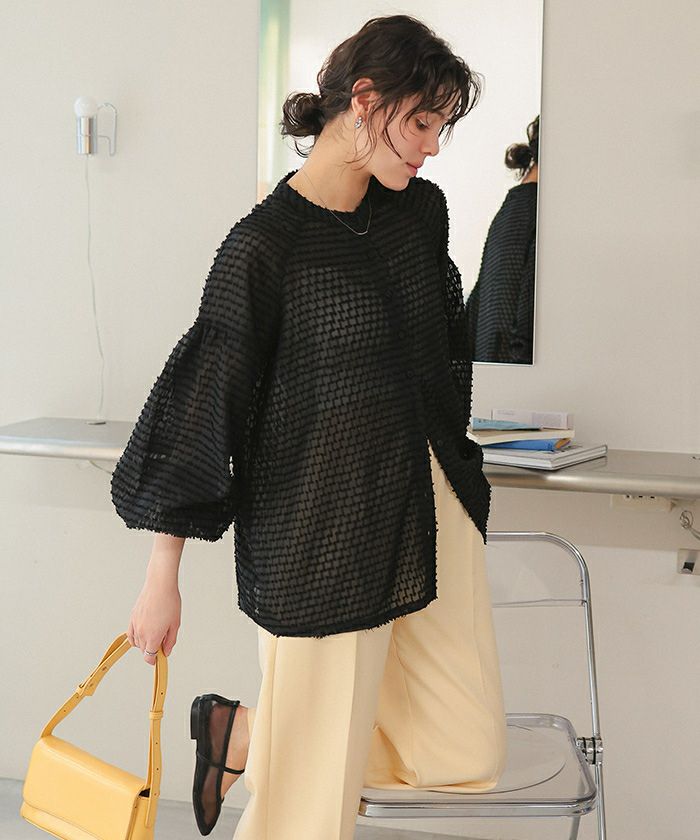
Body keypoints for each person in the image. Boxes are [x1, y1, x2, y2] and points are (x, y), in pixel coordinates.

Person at [111, 13, 508, 840]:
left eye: (441, 127)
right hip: (324, 530)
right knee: (307, 811)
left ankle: (247, 736)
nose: (433, 147)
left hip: (431, 503)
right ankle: (283, 753)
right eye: (421, 123)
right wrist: (162, 572)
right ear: (364, 100)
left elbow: (441, 354)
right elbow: (206, 399)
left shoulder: (418, 213)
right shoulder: (265, 247)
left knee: (464, 750)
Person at [465, 115, 540, 364]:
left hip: (492, 370)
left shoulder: (513, 209)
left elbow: (473, 315)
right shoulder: (540, 214)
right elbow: (527, 324)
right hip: (517, 376)